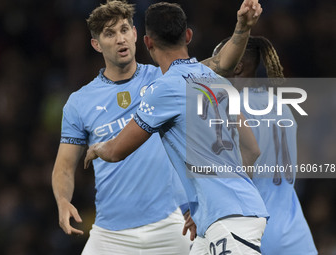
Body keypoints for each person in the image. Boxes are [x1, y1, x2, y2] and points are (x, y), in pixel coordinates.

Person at [52, 0, 263, 254]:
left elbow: (221, 63)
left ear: (138, 36)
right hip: (111, 232)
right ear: (96, 44)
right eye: (110, 33)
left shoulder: (164, 79)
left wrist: (242, 28)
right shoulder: (79, 102)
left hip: (172, 222)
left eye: (124, 29)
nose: (120, 39)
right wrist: (63, 200)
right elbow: (64, 166)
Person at [213, 36, 318, 254]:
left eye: (217, 61)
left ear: (237, 66)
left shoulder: (227, 110)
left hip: (252, 236)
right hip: (295, 235)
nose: (211, 69)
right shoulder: (282, 106)